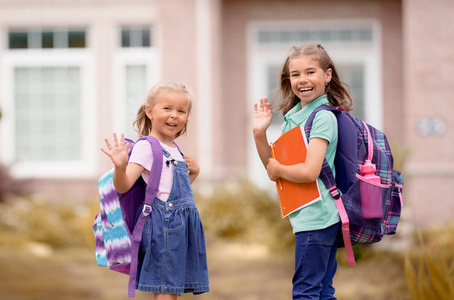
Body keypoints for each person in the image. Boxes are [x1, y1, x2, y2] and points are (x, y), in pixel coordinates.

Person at [252, 43, 355, 299]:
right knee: (320, 291)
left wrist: (278, 169)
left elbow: (310, 171)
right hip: (310, 216)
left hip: (318, 217)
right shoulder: (295, 116)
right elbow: (272, 169)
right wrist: (259, 134)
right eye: (295, 74)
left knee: (305, 292)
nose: (302, 80)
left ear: (327, 75)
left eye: (310, 72)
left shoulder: (322, 117)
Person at [101, 81, 209, 300]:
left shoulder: (175, 149)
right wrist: (120, 167)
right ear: (149, 111)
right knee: (166, 289)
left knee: (172, 289)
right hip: (164, 226)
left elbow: (172, 191)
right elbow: (123, 186)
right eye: (167, 108)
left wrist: (193, 175)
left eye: (181, 111)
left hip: (181, 226)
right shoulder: (146, 146)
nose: (174, 115)